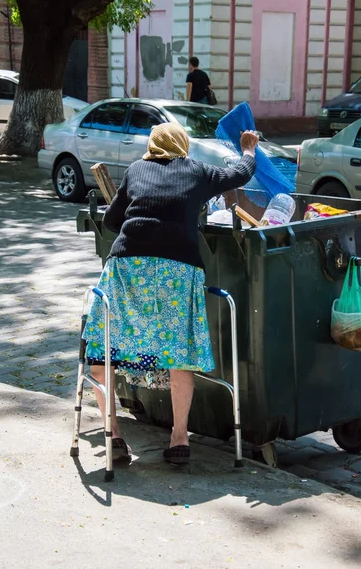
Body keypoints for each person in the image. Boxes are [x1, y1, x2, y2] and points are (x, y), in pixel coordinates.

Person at [83, 123, 259, 465]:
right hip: (178, 272)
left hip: (128, 268)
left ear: (152, 145)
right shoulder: (196, 170)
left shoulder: (136, 170)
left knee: (104, 350)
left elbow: (110, 222)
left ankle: (113, 434)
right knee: (180, 353)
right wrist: (249, 147)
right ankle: (180, 438)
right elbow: (240, 173)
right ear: (183, 145)